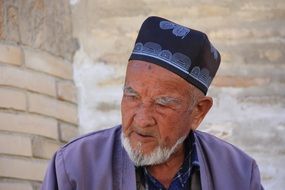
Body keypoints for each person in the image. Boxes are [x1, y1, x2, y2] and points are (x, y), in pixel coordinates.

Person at [41, 16, 264, 190]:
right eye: (132, 96)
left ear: (198, 112)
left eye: (163, 103)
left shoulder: (240, 174)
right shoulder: (73, 166)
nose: (142, 119)